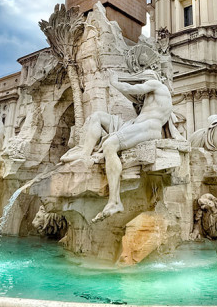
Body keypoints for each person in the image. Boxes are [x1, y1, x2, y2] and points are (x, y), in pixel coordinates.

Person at [60, 70, 173, 223]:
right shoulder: (152, 97)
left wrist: (114, 82)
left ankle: (114, 201)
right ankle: (84, 153)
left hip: (149, 127)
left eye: (142, 80)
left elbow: (132, 89)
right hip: (135, 125)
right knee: (97, 116)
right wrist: (119, 84)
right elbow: (132, 94)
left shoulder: (156, 84)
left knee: (109, 144)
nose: (141, 83)